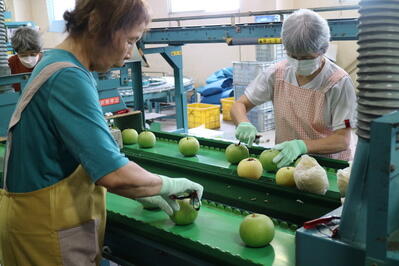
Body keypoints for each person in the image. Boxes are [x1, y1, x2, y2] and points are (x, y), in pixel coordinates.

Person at [0, 0, 203, 265]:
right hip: (47, 235)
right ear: (96, 24)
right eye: (130, 41)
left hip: (34, 223)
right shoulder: (68, 77)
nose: (130, 54)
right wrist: (168, 184)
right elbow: (114, 173)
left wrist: (144, 186)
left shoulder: (55, 61)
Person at [231, 9, 357, 168]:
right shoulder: (277, 74)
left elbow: (342, 140)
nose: (298, 63)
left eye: (306, 58)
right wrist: (243, 123)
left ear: (323, 49)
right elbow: (239, 104)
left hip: (326, 166)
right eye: (293, 56)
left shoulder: (338, 83)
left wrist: (302, 146)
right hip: (286, 162)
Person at [8, 27, 43, 92]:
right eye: (23, 55)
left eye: (33, 54)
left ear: (39, 50)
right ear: (17, 52)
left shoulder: (47, 61)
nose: (29, 59)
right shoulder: (11, 63)